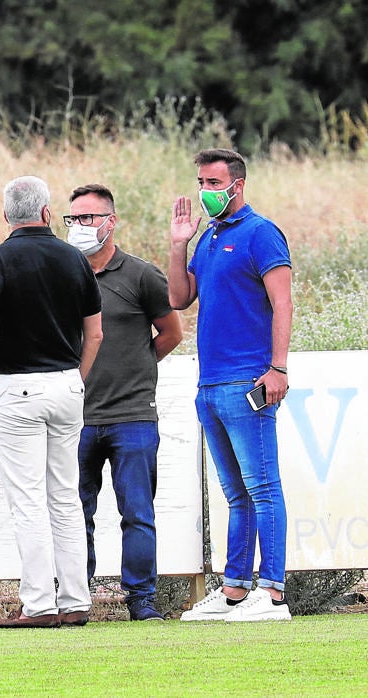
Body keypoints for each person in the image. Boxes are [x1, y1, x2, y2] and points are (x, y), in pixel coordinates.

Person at [0, 175, 103, 628]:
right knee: (65, 497)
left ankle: (40, 603)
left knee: (28, 501)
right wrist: (74, 380)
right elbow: (95, 332)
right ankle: (77, 600)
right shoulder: (73, 258)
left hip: (19, 386)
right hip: (66, 386)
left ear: (7, 216)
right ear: (46, 212)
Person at [169, 149, 293, 622]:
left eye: (213, 182)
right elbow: (179, 298)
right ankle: (235, 591)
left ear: (236, 185)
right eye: (201, 181)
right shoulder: (209, 238)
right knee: (236, 493)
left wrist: (277, 368)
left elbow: (282, 303)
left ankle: (273, 593)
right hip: (211, 384)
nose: (205, 191)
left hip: (249, 379)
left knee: (263, 487)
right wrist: (179, 243)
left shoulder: (261, 234)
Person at [64, 184, 183, 621]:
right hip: (73, 417)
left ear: (111, 222)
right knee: (74, 514)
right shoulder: (63, 276)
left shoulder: (141, 275)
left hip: (132, 416)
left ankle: (142, 600)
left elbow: (171, 333)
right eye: (73, 219)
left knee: (137, 513)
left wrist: (137, 364)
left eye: (88, 218)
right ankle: (77, 599)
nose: (79, 227)